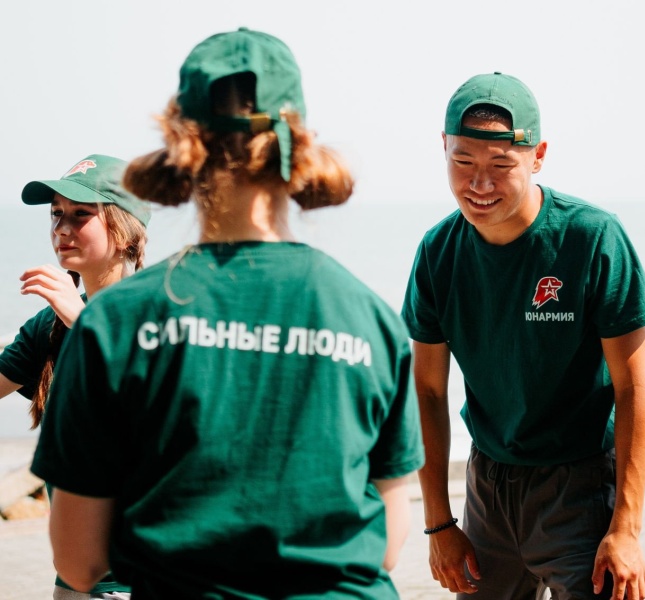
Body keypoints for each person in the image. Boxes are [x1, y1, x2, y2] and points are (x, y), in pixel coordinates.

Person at [31, 28, 424, 599]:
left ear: (180, 145)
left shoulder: (114, 322)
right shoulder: (370, 317)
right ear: (299, 144)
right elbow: (387, 544)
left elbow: (79, 559)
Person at [401, 72, 645, 600]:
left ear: (537, 156)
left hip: (581, 485)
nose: (480, 184)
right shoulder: (437, 252)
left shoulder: (591, 237)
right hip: (488, 486)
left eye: (501, 166)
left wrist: (626, 528)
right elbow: (427, 390)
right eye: (463, 162)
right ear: (443, 148)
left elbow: (635, 386)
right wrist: (438, 523)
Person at [0, 153, 150, 600]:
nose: (62, 229)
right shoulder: (47, 325)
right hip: (75, 580)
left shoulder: (163, 313)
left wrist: (83, 322)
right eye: (56, 214)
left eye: (81, 215)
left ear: (125, 231)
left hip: (150, 577)